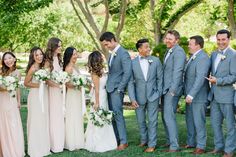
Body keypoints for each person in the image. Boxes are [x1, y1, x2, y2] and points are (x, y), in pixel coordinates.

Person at [128, 38, 163, 152]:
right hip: (138, 97)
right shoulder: (132, 63)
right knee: (140, 120)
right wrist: (132, 98)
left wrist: (158, 93)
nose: (149, 49)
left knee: (153, 121)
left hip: (153, 96)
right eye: (146, 47)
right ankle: (144, 140)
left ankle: (152, 144)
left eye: (149, 47)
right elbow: (130, 82)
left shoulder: (156, 60)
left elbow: (160, 78)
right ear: (139, 49)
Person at [100, 32, 132, 150]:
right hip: (110, 88)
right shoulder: (112, 54)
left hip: (116, 90)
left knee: (118, 115)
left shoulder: (123, 53)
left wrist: (120, 88)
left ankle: (124, 141)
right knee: (112, 115)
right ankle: (116, 139)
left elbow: (127, 72)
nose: (106, 46)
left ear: (113, 40)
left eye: (106, 44)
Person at [207, 29, 236, 157]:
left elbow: (234, 76)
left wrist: (218, 81)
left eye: (223, 39)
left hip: (227, 95)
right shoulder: (213, 54)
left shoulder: (234, 54)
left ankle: (229, 150)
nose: (221, 42)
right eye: (218, 39)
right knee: (215, 123)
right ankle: (218, 146)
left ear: (229, 39)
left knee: (230, 125)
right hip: (214, 96)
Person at [84, 51, 117, 152]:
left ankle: (106, 139)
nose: (103, 57)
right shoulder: (94, 73)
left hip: (104, 95)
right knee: (99, 117)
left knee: (104, 116)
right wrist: (97, 103)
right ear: (97, 59)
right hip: (99, 97)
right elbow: (97, 90)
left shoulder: (102, 70)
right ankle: (98, 142)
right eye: (101, 56)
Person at [183, 36, 210, 154]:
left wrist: (191, 95)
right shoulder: (193, 57)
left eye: (190, 44)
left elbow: (200, 78)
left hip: (198, 96)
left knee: (199, 122)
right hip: (190, 95)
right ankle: (191, 142)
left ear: (198, 45)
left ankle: (201, 146)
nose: (188, 45)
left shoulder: (203, 57)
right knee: (190, 120)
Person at [162, 30, 186, 152]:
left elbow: (178, 72)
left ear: (177, 40)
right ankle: (169, 141)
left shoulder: (179, 52)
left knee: (169, 116)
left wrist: (172, 90)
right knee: (165, 116)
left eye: (170, 39)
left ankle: (174, 146)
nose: (167, 40)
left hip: (172, 90)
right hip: (166, 89)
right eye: (167, 38)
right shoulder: (169, 50)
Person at [24, 47, 51, 157]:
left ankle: (44, 146)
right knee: (36, 120)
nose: (39, 56)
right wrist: (39, 85)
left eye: (40, 54)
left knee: (43, 119)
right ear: (33, 57)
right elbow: (26, 83)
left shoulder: (43, 66)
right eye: (36, 55)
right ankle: (35, 148)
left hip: (44, 94)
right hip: (35, 96)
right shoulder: (33, 68)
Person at [0, 52, 25, 157]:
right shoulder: (1, 72)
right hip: (2, 99)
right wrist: (4, 87)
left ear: (14, 59)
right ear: (3, 61)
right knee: (4, 124)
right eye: (5, 59)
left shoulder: (17, 73)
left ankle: (15, 149)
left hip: (12, 100)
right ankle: (5, 150)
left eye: (10, 58)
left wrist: (19, 101)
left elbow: (18, 88)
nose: (8, 60)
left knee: (13, 124)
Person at [45, 37, 65, 152]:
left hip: (60, 90)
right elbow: (46, 79)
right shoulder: (48, 61)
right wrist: (57, 86)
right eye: (59, 46)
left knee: (60, 115)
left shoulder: (58, 59)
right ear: (53, 46)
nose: (60, 48)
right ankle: (54, 144)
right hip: (53, 91)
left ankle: (60, 142)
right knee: (54, 115)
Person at [63, 47, 85, 151]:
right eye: (74, 54)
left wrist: (81, 83)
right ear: (69, 56)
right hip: (72, 95)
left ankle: (79, 141)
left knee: (77, 116)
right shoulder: (68, 68)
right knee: (72, 116)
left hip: (77, 94)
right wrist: (78, 84)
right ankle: (72, 142)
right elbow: (67, 84)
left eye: (76, 54)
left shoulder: (75, 66)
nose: (76, 56)